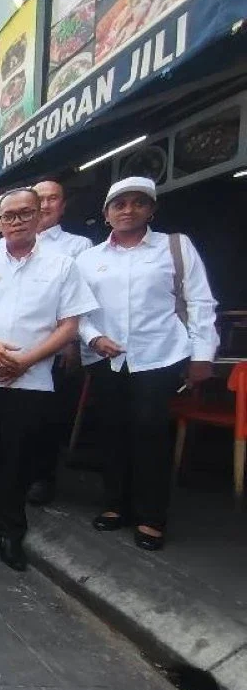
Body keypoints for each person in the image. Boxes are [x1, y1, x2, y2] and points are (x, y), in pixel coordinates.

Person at [0, 187, 97, 571]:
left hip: (30, 381)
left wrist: (25, 360)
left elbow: (70, 325)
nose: (16, 221)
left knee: (18, 460)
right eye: (9, 216)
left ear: (39, 216)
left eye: (24, 213)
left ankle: (10, 532)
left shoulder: (62, 265)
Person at [77, 177, 218, 551]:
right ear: (106, 214)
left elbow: (200, 302)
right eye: (119, 204)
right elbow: (76, 308)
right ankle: (115, 503)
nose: (128, 210)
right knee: (111, 431)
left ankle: (151, 516)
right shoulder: (89, 259)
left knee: (151, 433)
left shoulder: (174, 247)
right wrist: (93, 338)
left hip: (159, 355)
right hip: (106, 358)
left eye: (138, 203)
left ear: (151, 210)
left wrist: (203, 354)